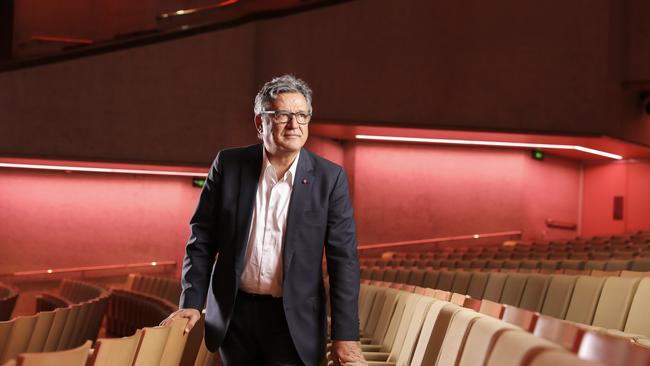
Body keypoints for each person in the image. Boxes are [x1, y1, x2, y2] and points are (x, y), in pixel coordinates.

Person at [161, 75, 366, 366]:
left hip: (294, 320)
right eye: (282, 114)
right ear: (261, 123)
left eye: (302, 115)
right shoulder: (229, 165)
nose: (294, 124)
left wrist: (346, 336)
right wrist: (192, 302)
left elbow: (343, 260)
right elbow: (202, 239)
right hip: (235, 316)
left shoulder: (329, 178)